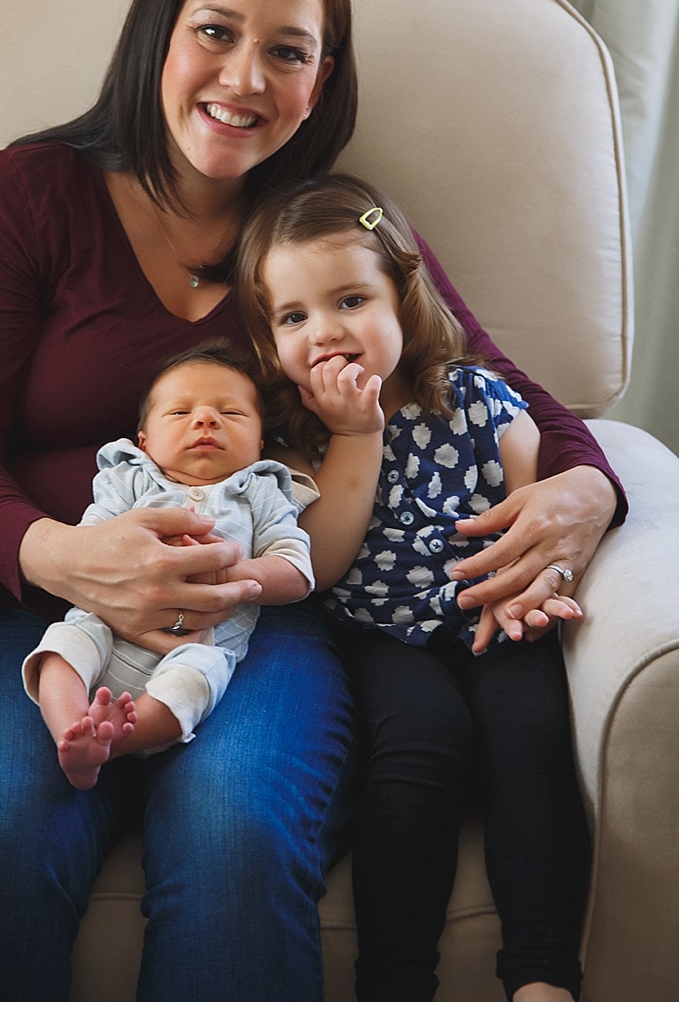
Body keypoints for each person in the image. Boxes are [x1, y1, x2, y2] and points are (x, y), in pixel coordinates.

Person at [0, 0, 623, 1000]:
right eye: (217, 32)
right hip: (32, 614)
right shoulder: (23, 196)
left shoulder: (323, 239)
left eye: (287, 52)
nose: (243, 79)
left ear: (318, 83)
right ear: (161, 32)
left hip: (262, 624)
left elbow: (496, 387)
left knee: (237, 846)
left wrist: (587, 494)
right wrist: (58, 556)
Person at [238, 174, 589, 1000]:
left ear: (403, 295)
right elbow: (319, 564)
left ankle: (542, 974)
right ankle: (395, 981)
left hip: (491, 610)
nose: (324, 333)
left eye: (350, 300)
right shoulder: (293, 440)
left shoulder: (477, 399)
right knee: (420, 745)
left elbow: (531, 510)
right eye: (294, 317)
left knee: (529, 732)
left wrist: (525, 584)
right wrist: (357, 435)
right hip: (378, 636)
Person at [23, 345, 316, 789]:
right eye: (180, 412)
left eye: (231, 413)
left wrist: (226, 575)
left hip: (198, 641)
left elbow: (295, 572)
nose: (205, 420)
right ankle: (71, 730)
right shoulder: (131, 478)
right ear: (144, 441)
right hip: (106, 624)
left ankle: (117, 741)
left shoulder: (260, 492)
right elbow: (89, 545)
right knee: (64, 644)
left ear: (259, 443)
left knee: (202, 674)